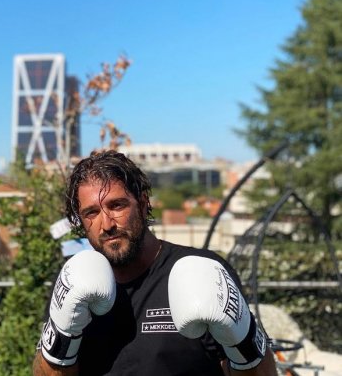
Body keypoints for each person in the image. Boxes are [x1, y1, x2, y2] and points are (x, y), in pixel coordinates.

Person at [33, 150, 277, 375]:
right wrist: (61, 341)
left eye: (116, 205)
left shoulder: (201, 272)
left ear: (142, 202)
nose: (106, 224)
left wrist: (244, 343)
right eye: (91, 213)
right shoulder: (73, 278)